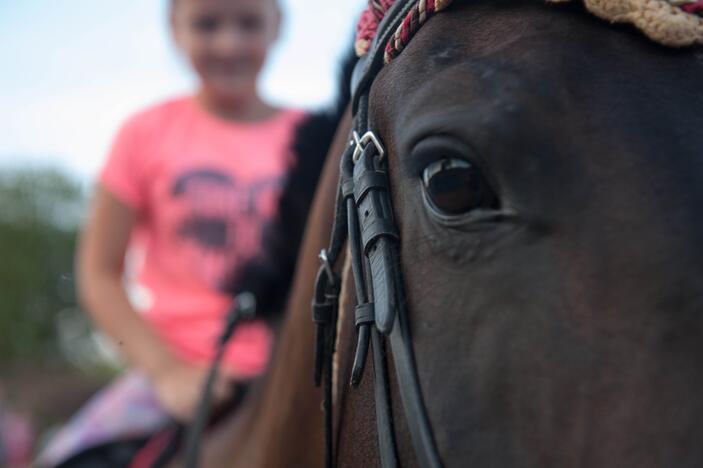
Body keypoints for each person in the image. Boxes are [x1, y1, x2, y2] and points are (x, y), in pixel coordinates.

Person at [38, 0, 305, 465]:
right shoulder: (144, 134)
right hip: (175, 372)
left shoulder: (313, 138)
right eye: (207, 24)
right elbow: (99, 272)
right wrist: (168, 373)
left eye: (248, 23)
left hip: (293, 371)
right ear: (174, 28)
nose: (229, 43)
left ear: (277, 25)